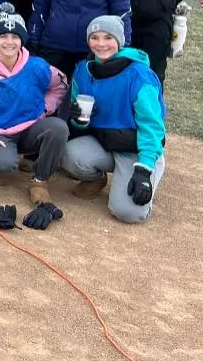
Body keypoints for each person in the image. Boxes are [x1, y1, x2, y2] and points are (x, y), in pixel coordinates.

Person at [0, 3, 69, 216]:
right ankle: (7, 162)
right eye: (3, 36)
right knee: (4, 166)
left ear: (22, 40)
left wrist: (45, 108)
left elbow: (60, 86)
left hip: (31, 127)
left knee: (58, 128)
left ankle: (40, 181)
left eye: (15, 36)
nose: (9, 42)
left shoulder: (38, 66)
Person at [61, 16, 167, 223]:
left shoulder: (139, 75)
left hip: (136, 148)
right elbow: (83, 121)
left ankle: (149, 171)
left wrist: (144, 170)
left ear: (119, 40)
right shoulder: (84, 70)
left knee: (128, 213)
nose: (101, 44)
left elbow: (152, 126)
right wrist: (78, 120)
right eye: (95, 37)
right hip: (105, 142)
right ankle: (97, 179)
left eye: (108, 37)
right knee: (66, 153)